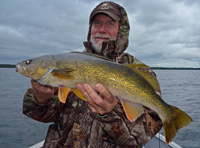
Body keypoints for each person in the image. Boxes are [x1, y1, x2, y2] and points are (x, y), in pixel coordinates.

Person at [23, 1, 162, 148]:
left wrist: (109, 115)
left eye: (110, 24)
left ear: (121, 31)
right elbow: (44, 115)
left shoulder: (139, 72)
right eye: (97, 23)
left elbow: (143, 136)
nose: (102, 29)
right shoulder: (69, 63)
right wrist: (41, 99)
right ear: (90, 29)